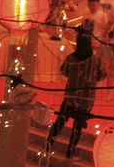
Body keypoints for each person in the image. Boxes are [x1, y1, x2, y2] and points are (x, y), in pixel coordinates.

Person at [45, 26, 106, 158]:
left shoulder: (71, 58)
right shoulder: (96, 60)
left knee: (59, 123)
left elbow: (64, 71)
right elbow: (102, 75)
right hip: (86, 101)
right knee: (77, 128)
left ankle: (48, 146)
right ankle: (70, 153)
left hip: (70, 98)